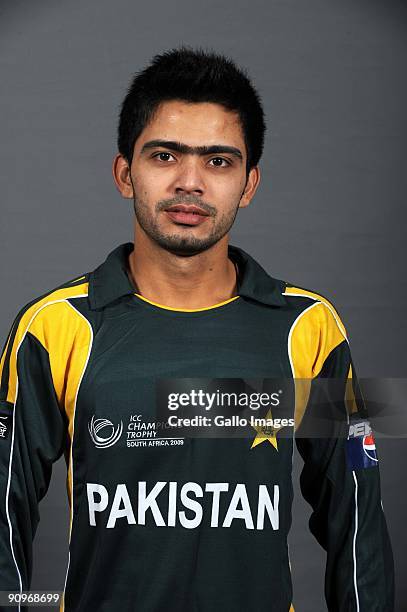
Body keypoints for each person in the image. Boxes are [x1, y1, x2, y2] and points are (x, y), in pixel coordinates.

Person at [0, 46, 394, 612]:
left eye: (218, 161)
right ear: (124, 173)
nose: (190, 183)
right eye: (164, 156)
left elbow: (356, 524)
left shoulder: (311, 327)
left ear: (249, 184)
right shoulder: (54, 325)